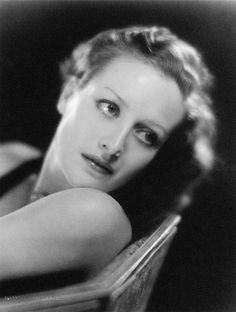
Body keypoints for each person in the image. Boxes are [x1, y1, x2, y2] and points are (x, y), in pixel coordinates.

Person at [0, 26, 216, 286]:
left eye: (147, 135)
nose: (114, 145)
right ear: (68, 95)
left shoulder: (99, 217)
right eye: (110, 108)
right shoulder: (13, 159)